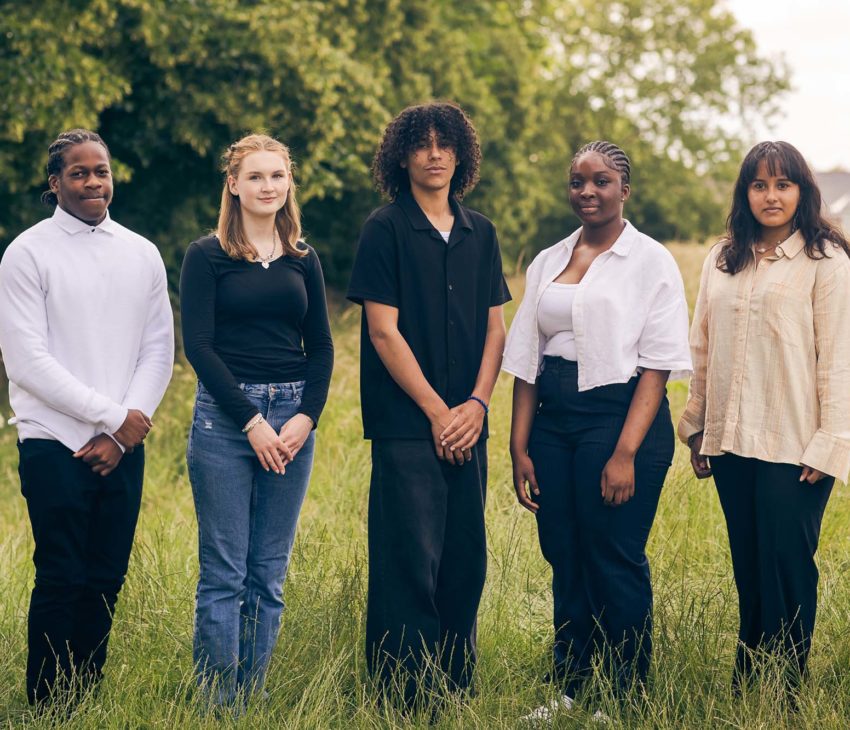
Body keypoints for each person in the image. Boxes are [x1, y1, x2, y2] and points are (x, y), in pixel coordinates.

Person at [503, 141, 691, 721]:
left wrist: (625, 453)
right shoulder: (548, 259)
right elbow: (527, 357)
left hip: (619, 418)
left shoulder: (651, 261)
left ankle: (626, 691)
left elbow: (657, 368)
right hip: (552, 423)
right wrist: (518, 447)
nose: (587, 192)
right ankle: (571, 686)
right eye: (578, 182)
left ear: (624, 190)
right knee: (564, 551)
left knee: (612, 553)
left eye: (601, 181)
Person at [0, 129, 174, 706]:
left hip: (123, 444)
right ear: (55, 184)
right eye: (79, 173)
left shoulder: (141, 252)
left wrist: (128, 429)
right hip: (53, 441)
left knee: (105, 580)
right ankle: (46, 706)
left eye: (101, 170)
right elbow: (27, 362)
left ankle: (84, 698)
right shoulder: (27, 252)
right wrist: (110, 418)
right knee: (61, 577)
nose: (94, 181)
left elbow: (158, 349)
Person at [346, 101, 510, 708]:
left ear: (461, 155)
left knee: (465, 557)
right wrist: (439, 412)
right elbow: (383, 332)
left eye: (446, 144)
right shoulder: (384, 229)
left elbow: (496, 331)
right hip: (406, 427)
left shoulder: (482, 232)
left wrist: (475, 405)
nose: (435, 154)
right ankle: (404, 698)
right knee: (408, 559)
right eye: (422, 144)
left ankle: (455, 687)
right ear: (403, 156)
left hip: (470, 424)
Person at [679, 141, 850, 695]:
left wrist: (831, 445)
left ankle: (786, 690)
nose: (770, 196)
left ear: (802, 191)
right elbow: (702, 345)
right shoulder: (722, 257)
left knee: (787, 566)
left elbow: (841, 358)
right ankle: (747, 680)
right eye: (759, 185)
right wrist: (697, 427)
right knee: (749, 565)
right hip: (731, 439)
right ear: (744, 192)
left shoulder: (826, 263)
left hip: (795, 443)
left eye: (782, 184)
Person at [180, 133, 333, 707]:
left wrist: (306, 419)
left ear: (289, 183)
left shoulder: (303, 257)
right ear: (234, 185)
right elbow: (199, 346)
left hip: (292, 420)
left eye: (277, 176)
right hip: (227, 422)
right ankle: (218, 705)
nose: (268, 186)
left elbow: (320, 346)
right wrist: (250, 420)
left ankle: (252, 699)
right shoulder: (207, 254)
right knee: (224, 574)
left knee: (267, 575)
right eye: (256, 177)